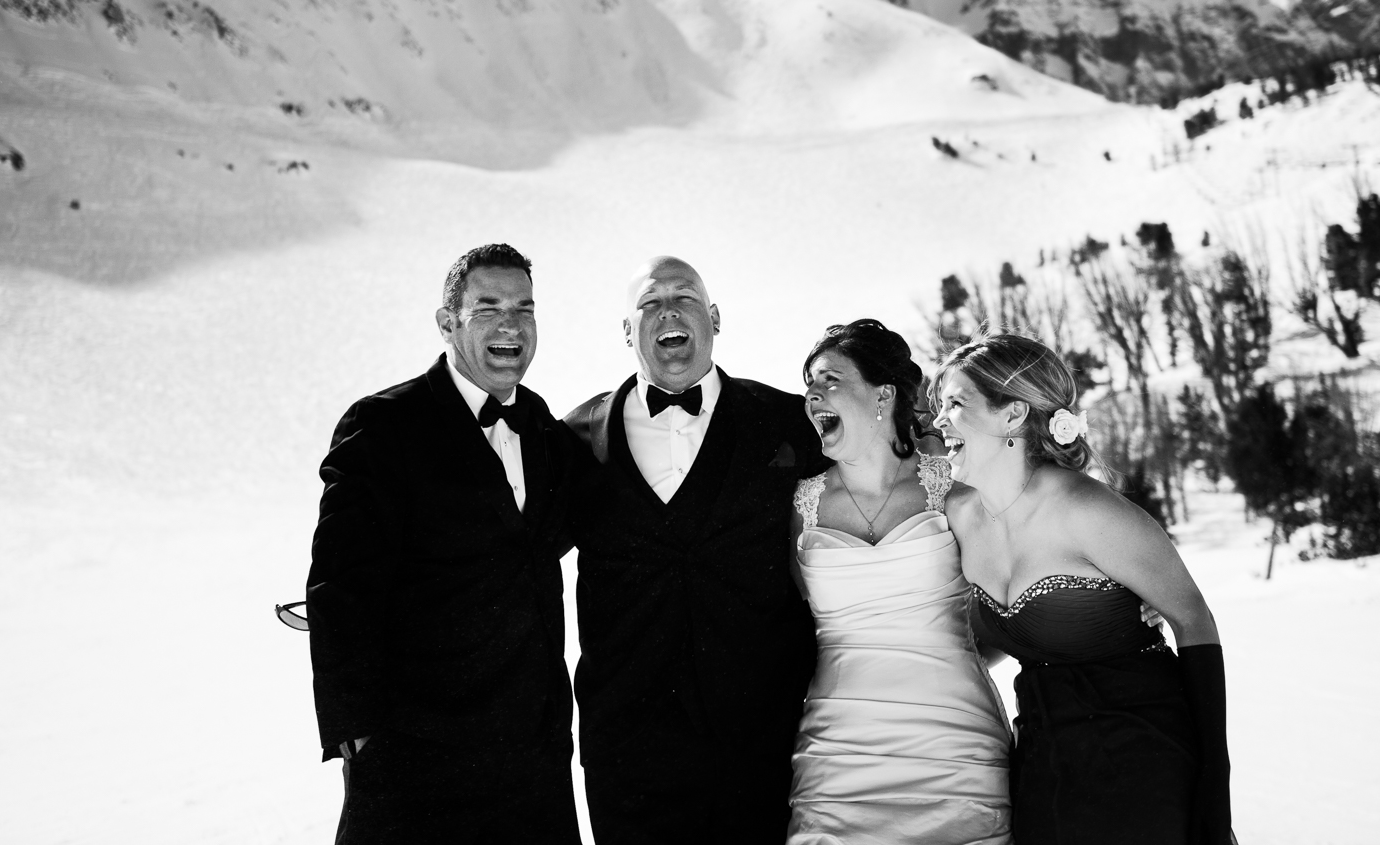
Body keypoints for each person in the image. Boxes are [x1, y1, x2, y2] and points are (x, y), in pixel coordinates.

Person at [304, 243, 582, 844]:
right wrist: (359, 737)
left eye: (524, 309)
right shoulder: (383, 427)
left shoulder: (547, 434)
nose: (510, 325)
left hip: (532, 769)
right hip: (416, 768)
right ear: (447, 322)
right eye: (488, 307)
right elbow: (339, 588)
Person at [564, 256, 827, 845]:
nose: (668, 311)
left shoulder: (791, 422)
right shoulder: (574, 438)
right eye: (650, 304)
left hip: (766, 738)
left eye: (683, 297)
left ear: (713, 318)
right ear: (627, 332)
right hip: (629, 750)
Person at [937, 333, 1235, 845]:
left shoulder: (1089, 511)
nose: (939, 420)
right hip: (1042, 764)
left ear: (1012, 416)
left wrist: (1215, 790)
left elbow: (1193, 620)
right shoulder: (957, 517)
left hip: (1143, 757)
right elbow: (988, 642)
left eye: (955, 404)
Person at [788, 319, 1012, 845]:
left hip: (956, 751)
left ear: (884, 394)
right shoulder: (802, 505)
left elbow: (1016, 599)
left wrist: (1122, 603)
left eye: (830, 381)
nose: (813, 395)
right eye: (809, 386)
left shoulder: (953, 489)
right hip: (839, 759)